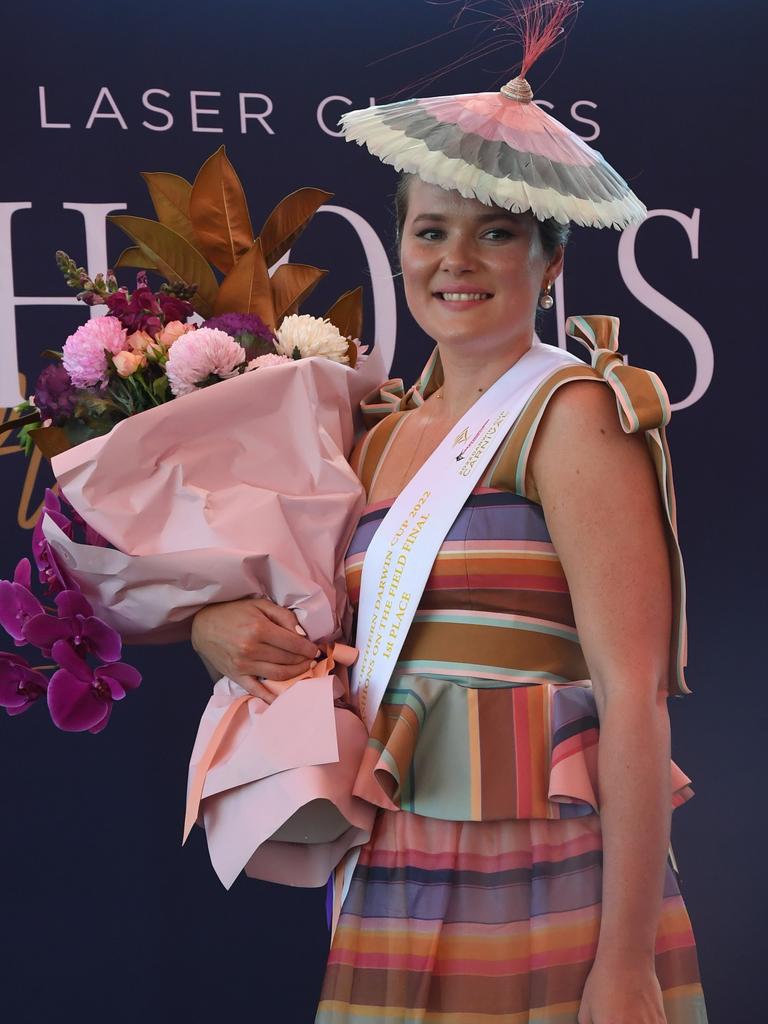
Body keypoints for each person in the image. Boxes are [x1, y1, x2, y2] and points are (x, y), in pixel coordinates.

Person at [191, 10, 709, 1019]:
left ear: (550, 260)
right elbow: (321, 645)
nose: (455, 259)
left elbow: (634, 698)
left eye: (496, 232)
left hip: (545, 880)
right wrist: (215, 630)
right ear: (400, 245)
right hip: (394, 862)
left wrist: (626, 962)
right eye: (431, 230)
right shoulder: (375, 434)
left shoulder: (570, 415)